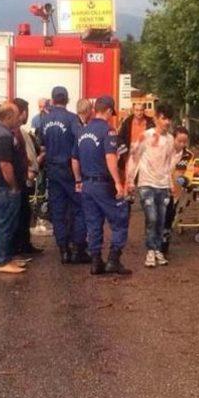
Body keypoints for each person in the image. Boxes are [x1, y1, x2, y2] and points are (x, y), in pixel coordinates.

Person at [72, 95, 131, 276]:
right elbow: (110, 157)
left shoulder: (82, 131)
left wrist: (78, 180)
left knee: (93, 223)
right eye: (111, 113)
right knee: (120, 219)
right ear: (107, 111)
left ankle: (96, 262)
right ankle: (113, 260)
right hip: (103, 185)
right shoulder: (108, 131)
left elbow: (74, 159)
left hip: (87, 185)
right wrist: (118, 183)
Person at [41, 86, 89, 264]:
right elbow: (80, 144)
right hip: (70, 170)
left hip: (52, 171)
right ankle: (78, 248)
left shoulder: (44, 120)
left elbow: (43, 145)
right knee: (78, 209)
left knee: (58, 211)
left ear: (52, 100)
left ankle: (63, 250)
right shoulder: (72, 119)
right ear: (67, 100)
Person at [126, 103, 175, 268]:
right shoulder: (145, 136)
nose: (166, 122)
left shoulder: (170, 140)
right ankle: (150, 250)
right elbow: (134, 157)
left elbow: (169, 163)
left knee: (161, 219)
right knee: (151, 217)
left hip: (163, 185)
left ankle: (157, 250)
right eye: (163, 118)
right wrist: (130, 179)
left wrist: (170, 183)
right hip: (146, 184)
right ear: (156, 118)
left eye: (169, 118)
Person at [0, 103, 27, 274]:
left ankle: (8, 257)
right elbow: (5, 165)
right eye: (17, 115)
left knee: (8, 223)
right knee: (6, 224)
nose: (19, 118)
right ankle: (2, 262)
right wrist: (13, 186)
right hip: (5, 188)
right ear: (9, 116)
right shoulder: (3, 136)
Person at [12, 98, 44, 256]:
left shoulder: (16, 131)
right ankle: (20, 248)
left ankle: (25, 245)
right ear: (22, 113)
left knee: (24, 214)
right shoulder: (19, 133)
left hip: (20, 179)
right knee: (22, 215)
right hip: (23, 180)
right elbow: (28, 159)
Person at [161, 125, 193, 256]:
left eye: (184, 142)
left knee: (169, 219)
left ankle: (164, 247)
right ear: (173, 139)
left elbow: (186, 173)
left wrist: (185, 180)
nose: (182, 144)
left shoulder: (188, 155)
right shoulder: (163, 150)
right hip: (160, 187)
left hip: (175, 192)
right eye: (179, 141)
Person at [118, 101, 155, 170]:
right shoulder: (127, 122)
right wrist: (124, 154)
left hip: (145, 155)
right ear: (133, 111)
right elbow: (119, 138)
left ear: (144, 111)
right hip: (130, 154)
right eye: (137, 110)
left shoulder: (150, 122)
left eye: (141, 110)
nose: (139, 112)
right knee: (130, 178)